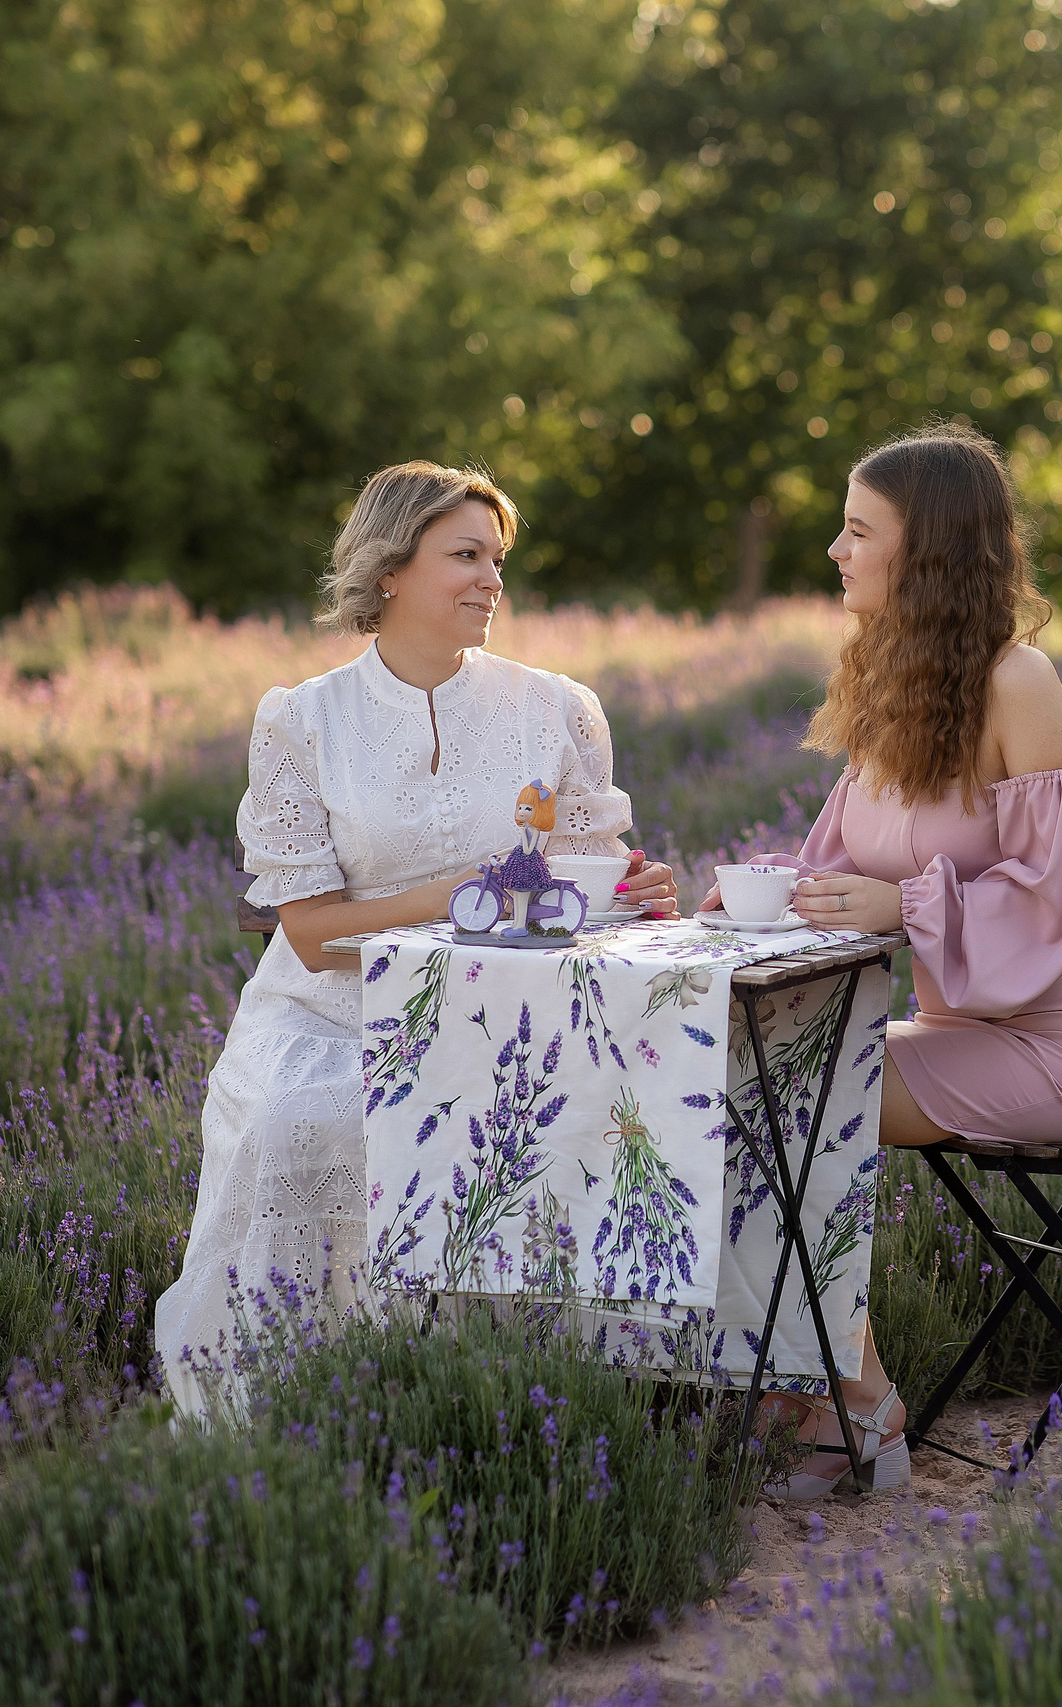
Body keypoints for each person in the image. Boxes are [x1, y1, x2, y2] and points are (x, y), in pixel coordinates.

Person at [154, 460, 679, 1413]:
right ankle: (294, 1394)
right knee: (295, 1118)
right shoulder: (302, 720)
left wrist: (637, 887)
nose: (492, 579)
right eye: (466, 555)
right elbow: (311, 935)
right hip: (328, 1011)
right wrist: (461, 889)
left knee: (592, 1116)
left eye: (499, 559)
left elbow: (584, 876)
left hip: (508, 1010)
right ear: (391, 568)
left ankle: (520, 1394)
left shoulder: (555, 706)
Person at [711, 424, 1062, 1497]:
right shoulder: (892, 685)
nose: (834, 550)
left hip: (1053, 1043)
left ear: (929, 551)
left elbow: (1060, 893)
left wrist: (900, 907)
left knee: (781, 1099)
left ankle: (845, 1398)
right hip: (956, 1033)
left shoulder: (1017, 682)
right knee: (725, 1079)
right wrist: (749, 895)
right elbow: (843, 868)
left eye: (858, 530)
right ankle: (814, 1377)